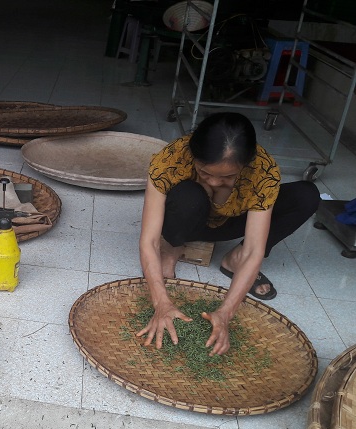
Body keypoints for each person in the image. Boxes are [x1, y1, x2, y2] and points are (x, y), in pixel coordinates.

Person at [137, 112, 320, 356]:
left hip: (232, 222)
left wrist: (225, 313)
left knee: (306, 195)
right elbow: (148, 240)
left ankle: (234, 258)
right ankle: (171, 250)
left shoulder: (263, 170)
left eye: (228, 177)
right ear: (193, 156)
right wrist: (161, 303)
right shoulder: (172, 158)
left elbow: (255, 249)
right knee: (188, 196)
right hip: (189, 219)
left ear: (246, 164)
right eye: (205, 172)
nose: (213, 182)